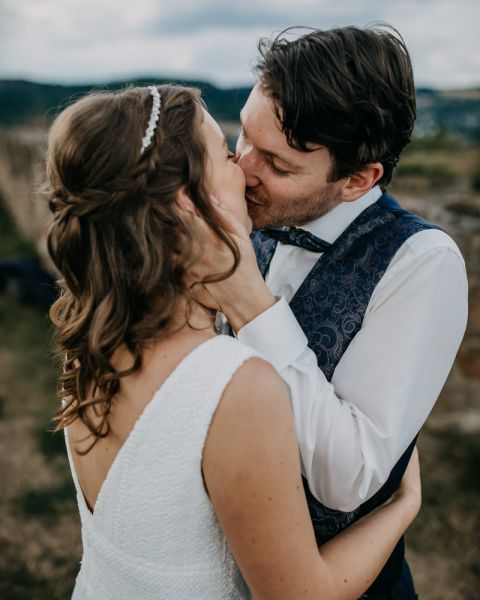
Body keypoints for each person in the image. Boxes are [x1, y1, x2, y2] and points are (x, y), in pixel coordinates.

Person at [46, 84, 421, 600]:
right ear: (187, 200)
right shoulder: (234, 387)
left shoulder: (91, 336)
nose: (244, 168)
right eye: (226, 151)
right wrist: (401, 507)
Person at [196, 25, 468, 599]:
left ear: (357, 179)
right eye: (243, 136)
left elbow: (345, 480)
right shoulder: (243, 206)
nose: (242, 169)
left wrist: (250, 303)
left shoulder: (422, 263)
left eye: (276, 162)